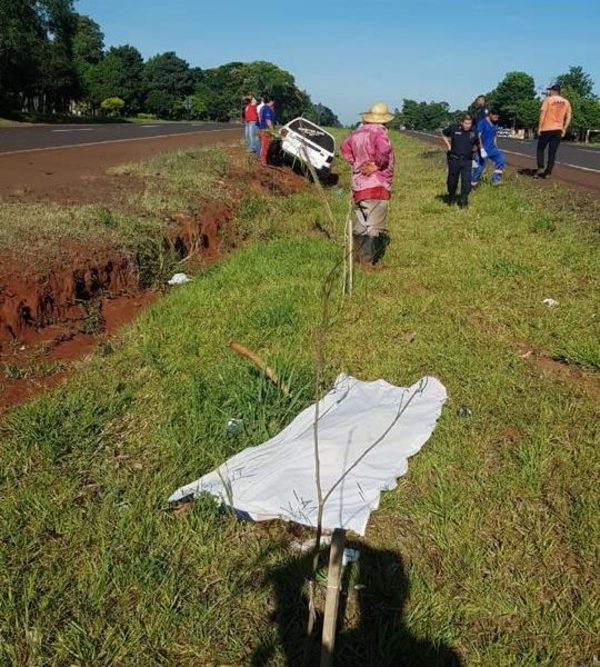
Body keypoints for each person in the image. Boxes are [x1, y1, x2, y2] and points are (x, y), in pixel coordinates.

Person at [340, 102, 395, 267]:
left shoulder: (357, 133)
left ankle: (356, 256)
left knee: (361, 221)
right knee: (374, 224)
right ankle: (367, 261)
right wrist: (376, 165)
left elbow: (344, 148)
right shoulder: (380, 133)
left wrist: (356, 163)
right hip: (376, 183)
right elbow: (384, 152)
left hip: (359, 185)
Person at [440, 114, 479, 208]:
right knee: (452, 180)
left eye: (469, 123)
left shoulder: (474, 131)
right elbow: (443, 133)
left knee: (466, 181)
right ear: (461, 123)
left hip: (467, 161)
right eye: (466, 123)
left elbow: (478, 142)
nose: (467, 125)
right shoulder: (454, 128)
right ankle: (451, 195)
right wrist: (448, 146)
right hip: (454, 159)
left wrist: (475, 150)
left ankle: (463, 199)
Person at [535, 84, 572, 179]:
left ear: (553, 91)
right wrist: (564, 128)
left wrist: (539, 127)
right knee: (552, 152)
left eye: (550, 90)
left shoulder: (548, 100)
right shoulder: (566, 102)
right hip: (558, 129)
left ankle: (540, 167)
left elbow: (543, 113)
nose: (549, 92)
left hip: (546, 128)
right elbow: (569, 116)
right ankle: (548, 172)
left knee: (540, 148)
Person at [471, 109, 505, 186]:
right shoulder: (482, 123)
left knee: (501, 158)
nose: (496, 117)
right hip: (482, 148)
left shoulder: (496, 123)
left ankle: (496, 179)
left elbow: (494, 136)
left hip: (491, 148)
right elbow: (478, 136)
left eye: (497, 116)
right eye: (494, 115)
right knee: (479, 167)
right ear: (490, 114)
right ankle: (473, 183)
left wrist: (496, 147)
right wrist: (481, 148)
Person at [257, 95, 276, 166]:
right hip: (266, 130)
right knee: (265, 146)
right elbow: (268, 121)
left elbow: (259, 118)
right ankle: (263, 161)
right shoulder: (267, 109)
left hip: (262, 128)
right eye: (273, 101)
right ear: (271, 101)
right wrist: (273, 131)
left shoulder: (263, 108)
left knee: (263, 145)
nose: (274, 102)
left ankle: (263, 159)